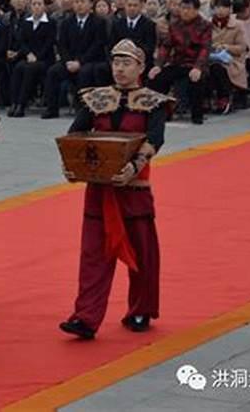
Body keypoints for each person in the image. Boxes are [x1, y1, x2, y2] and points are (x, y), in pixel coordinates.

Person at [59, 39, 172, 340]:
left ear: (141, 68)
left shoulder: (154, 101)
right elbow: (76, 134)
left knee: (142, 252)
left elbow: (155, 140)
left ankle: (140, 309)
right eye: (116, 63)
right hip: (100, 187)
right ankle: (85, 317)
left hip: (134, 187)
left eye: (127, 64)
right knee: (93, 254)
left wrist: (132, 168)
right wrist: (73, 165)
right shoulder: (96, 98)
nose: (120, 69)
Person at [43, 0, 108, 119]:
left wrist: (80, 62)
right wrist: (67, 61)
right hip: (69, 61)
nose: (79, 5)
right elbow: (62, 45)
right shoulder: (67, 22)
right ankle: (52, 109)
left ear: (90, 4)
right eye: (77, 2)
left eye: (83, 2)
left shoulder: (99, 22)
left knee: (85, 72)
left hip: (90, 61)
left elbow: (97, 45)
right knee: (53, 72)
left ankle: (82, 110)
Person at [149, 0, 211, 124]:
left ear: (196, 10)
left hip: (195, 64)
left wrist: (198, 67)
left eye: (188, 9)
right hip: (178, 62)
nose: (185, 11)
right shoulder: (174, 25)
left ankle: (197, 115)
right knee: (157, 78)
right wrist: (158, 65)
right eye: (183, 8)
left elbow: (205, 49)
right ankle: (161, 112)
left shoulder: (205, 25)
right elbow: (166, 46)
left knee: (196, 79)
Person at [9, 0, 56, 117]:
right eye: (34, 4)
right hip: (29, 57)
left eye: (39, 4)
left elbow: (49, 43)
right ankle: (14, 102)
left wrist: (37, 57)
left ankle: (21, 104)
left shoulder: (50, 22)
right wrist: (28, 54)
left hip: (45, 59)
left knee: (30, 69)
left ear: (44, 6)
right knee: (18, 67)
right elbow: (22, 41)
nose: (36, 7)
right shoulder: (26, 22)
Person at [207, 0, 247, 114]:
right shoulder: (207, 24)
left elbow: (242, 48)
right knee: (207, 67)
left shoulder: (238, 25)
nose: (220, 10)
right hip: (211, 57)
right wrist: (212, 48)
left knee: (218, 68)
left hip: (231, 61)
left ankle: (223, 98)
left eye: (224, 7)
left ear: (229, 9)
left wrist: (226, 47)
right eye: (217, 7)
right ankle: (205, 98)